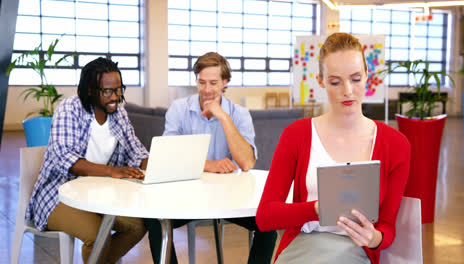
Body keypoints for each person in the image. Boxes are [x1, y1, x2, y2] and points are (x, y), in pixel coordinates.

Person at [256, 32, 411, 264]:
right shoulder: (296, 135)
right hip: (303, 247)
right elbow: (265, 217)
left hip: (356, 251)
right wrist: (319, 208)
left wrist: (374, 238)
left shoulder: (396, 145)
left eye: (356, 79)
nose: (347, 90)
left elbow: (387, 227)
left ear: (367, 75)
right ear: (321, 81)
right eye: (335, 82)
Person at [144, 52, 277, 264]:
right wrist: (209, 165)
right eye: (202, 82)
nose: (207, 90)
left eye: (214, 83)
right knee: (155, 223)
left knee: (268, 224)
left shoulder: (239, 114)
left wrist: (222, 116)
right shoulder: (179, 109)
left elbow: (247, 163)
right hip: (187, 196)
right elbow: (168, 157)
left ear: (225, 82)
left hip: (230, 197)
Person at [26, 57, 149, 264]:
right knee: (95, 235)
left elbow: (136, 151)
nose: (116, 97)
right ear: (91, 90)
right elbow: (64, 157)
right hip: (59, 194)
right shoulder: (70, 108)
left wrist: (156, 165)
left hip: (100, 193)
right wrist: (112, 171)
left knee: (138, 226)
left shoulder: (118, 113)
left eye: (119, 89)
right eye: (108, 91)